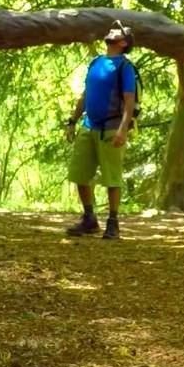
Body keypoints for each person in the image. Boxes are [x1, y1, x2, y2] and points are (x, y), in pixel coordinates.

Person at [64, 21, 137, 240]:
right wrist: (72, 121)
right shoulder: (96, 62)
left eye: (117, 32)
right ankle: (89, 219)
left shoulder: (125, 67)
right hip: (88, 126)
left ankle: (113, 223)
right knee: (80, 174)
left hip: (111, 128)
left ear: (123, 42)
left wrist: (122, 130)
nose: (111, 31)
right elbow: (86, 95)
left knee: (112, 178)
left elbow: (129, 101)